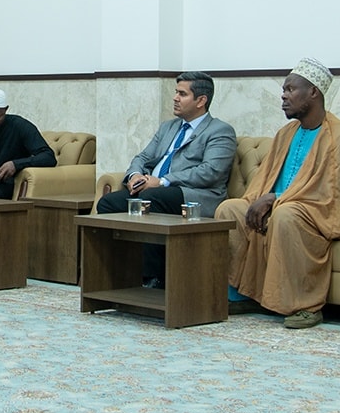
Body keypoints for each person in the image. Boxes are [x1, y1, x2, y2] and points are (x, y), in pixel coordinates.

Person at [219, 59, 340, 328]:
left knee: (286, 214)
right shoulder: (287, 133)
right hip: (280, 207)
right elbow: (265, 179)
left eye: (290, 90)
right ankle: (243, 295)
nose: (284, 97)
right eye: (283, 91)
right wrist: (261, 200)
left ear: (313, 92)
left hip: (313, 215)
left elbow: (333, 198)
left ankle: (305, 306)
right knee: (230, 209)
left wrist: (276, 200)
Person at [95, 72, 236, 286]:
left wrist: (163, 181)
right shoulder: (168, 127)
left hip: (194, 195)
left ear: (201, 100)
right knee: (108, 203)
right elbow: (143, 157)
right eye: (176, 92)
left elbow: (210, 172)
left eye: (182, 94)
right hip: (155, 191)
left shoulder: (220, 131)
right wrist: (135, 175)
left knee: (151, 199)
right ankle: (119, 274)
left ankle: (153, 278)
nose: (175, 98)